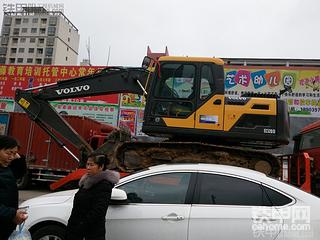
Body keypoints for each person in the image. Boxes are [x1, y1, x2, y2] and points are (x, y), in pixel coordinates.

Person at [66, 153, 120, 240]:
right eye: (87, 164)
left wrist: (81, 226)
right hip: (75, 229)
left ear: (101, 167)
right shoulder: (86, 181)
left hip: (91, 233)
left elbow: (99, 211)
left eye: (92, 165)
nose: (88, 167)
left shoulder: (104, 185)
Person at [0, 135, 28, 240]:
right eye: (8, 153)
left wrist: (18, 157)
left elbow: (20, 172)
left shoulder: (6, 168)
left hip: (6, 225)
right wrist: (13, 214)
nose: (12, 157)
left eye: (14, 153)